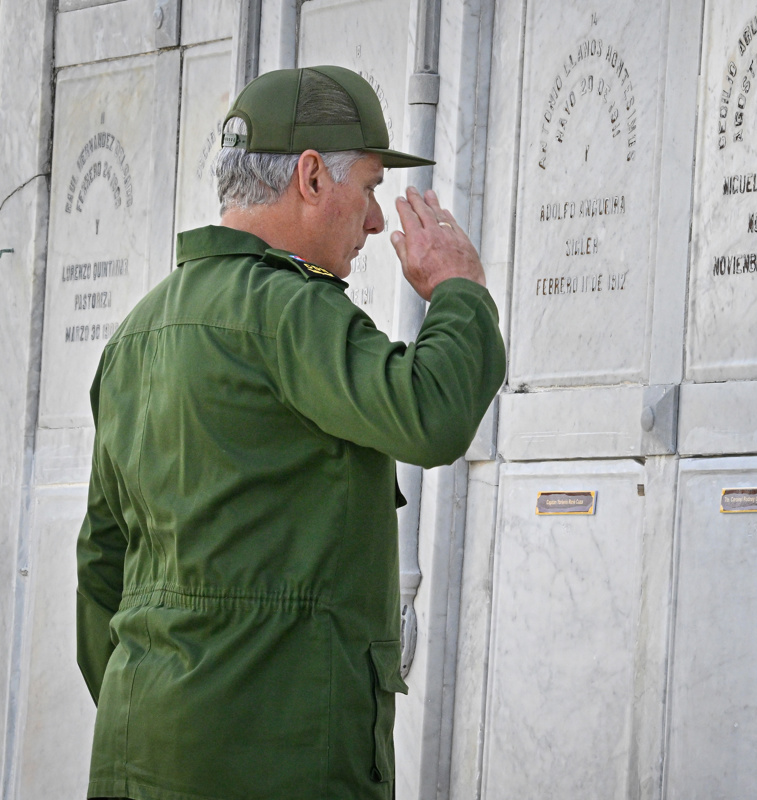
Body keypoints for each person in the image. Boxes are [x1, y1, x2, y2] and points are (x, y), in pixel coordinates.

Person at [75, 65, 506, 800]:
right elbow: (430, 412)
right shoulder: (288, 309)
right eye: (370, 188)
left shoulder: (137, 332)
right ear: (311, 177)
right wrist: (460, 292)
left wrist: (164, 696)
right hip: (277, 754)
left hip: (140, 746)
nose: (376, 220)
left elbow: (100, 563)